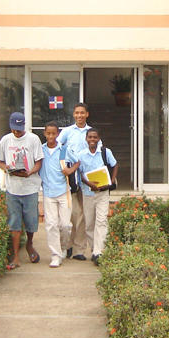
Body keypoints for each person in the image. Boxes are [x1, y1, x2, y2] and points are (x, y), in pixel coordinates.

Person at [0, 112, 43, 270]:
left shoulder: (33, 139)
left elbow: (38, 162)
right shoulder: (5, 140)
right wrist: (7, 169)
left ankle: (29, 245)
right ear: (10, 126)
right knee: (14, 222)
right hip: (13, 189)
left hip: (30, 188)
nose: (17, 132)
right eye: (14, 129)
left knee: (31, 222)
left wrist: (30, 172)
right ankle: (16, 257)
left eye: (19, 129)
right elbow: (0, 162)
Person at [74, 127, 118, 266]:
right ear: (86, 139)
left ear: (99, 139)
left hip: (103, 193)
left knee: (102, 221)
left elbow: (115, 165)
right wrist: (88, 183)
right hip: (88, 193)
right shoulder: (81, 155)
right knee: (89, 224)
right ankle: (94, 248)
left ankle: (99, 252)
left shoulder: (105, 152)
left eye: (95, 137)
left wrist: (111, 180)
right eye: (90, 137)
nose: (92, 140)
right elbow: (79, 173)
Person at [57, 102, 94, 260]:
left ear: (87, 114)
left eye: (82, 113)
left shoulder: (91, 132)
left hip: (86, 177)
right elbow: (58, 148)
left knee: (84, 215)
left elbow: (97, 151)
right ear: (74, 115)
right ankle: (68, 245)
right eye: (77, 113)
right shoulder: (67, 132)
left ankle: (79, 250)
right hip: (70, 178)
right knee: (73, 213)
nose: (79, 115)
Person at [39, 121, 76, 268]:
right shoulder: (41, 150)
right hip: (48, 192)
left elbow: (77, 162)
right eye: (48, 133)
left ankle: (64, 246)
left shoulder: (63, 150)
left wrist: (70, 170)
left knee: (65, 225)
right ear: (44, 134)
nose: (51, 136)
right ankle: (55, 254)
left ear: (58, 134)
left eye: (54, 133)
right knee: (51, 224)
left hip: (64, 191)